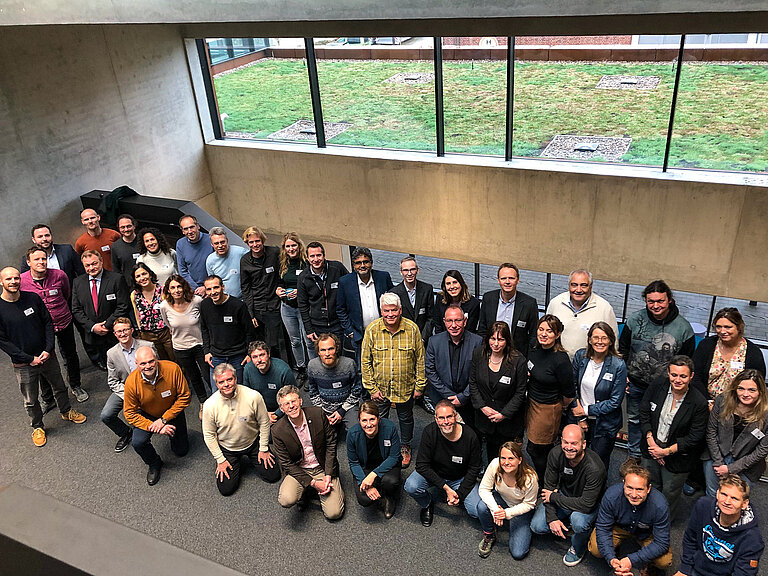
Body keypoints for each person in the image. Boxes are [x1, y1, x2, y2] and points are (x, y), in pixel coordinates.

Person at [0, 266, 86, 447]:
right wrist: (28, 359)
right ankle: (37, 426)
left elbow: (47, 322)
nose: (13, 281)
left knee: (60, 386)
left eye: (16, 278)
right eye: (9, 279)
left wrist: (48, 348)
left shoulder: (32, 298)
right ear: (1, 282)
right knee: (30, 400)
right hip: (23, 363)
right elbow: (4, 342)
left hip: (47, 355)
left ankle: (66, 411)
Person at [620, 280, 696, 462]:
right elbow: (623, 349)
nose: (655, 306)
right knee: (634, 420)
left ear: (669, 300)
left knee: (662, 422)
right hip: (635, 384)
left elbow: (687, 361)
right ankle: (634, 456)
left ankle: (655, 456)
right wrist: (624, 376)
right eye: (651, 301)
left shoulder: (683, 328)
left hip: (666, 388)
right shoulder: (634, 320)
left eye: (660, 301)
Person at [361, 292, 426, 466]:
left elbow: (420, 360)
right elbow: (365, 361)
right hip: (380, 388)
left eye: (394, 310)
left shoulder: (412, 329)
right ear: (381, 311)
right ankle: (383, 446)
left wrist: (419, 386)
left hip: (405, 386)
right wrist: (372, 388)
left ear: (400, 310)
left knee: (406, 418)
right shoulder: (372, 330)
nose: (390, 314)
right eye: (386, 310)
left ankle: (405, 445)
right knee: (380, 418)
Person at [640, 355, 708, 518]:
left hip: (678, 457)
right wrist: (652, 443)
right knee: (649, 485)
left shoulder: (699, 402)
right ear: (668, 373)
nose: (677, 380)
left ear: (691, 376)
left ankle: (662, 523)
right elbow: (644, 411)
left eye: (683, 376)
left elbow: (695, 436)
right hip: (651, 448)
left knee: (669, 494)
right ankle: (645, 518)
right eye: (674, 375)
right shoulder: (658, 385)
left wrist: (665, 452)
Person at [530, 424, 607, 567]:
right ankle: (565, 523)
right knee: (537, 526)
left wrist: (554, 497)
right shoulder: (555, 454)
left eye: (574, 443)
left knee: (578, 521)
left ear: (583, 444)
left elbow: (586, 504)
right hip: (565, 495)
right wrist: (552, 518)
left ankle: (579, 546)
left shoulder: (595, 467)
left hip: (588, 503)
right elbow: (549, 488)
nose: (569, 447)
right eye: (566, 442)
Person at [20, 247, 88, 403]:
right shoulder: (22, 281)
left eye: (43, 258)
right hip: (40, 328)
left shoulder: (59, 275)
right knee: (42, 359)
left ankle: (75, 385)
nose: (41, 262)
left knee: (70, 354)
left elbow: (66, 293)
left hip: (62, 320)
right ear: (28, 262)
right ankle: (48, 397)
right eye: (36, 259)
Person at [202, 363, 281, 496]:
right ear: (216, 384)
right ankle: (235, 461)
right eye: (221, 382)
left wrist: (263, 448)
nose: (226, 384)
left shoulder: (253, 396)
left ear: (236, 378)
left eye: (229, 379)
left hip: (253, 442)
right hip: (228, 448)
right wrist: (220, 459)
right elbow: (209, 435)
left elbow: (264, 422)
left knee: (274, 476)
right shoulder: (210, 405)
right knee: (226, 489)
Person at [404, 400, 482, 527]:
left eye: (449, 417)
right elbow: (422, 465)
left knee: (477, 510)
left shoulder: (470, 436)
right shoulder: (429, 432)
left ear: (455, 416)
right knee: (411, 486)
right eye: (441, 418)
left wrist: (460, 493)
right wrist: (445, 487)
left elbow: (474, 468)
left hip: (459, 478)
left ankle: (456, 496)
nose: (446, 422)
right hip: (435, 474)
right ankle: (427, 503)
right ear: (436, 419)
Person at [272, 385, 345, 520]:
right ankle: (309, 488)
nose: (291, 406)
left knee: (334, 513)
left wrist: (329, 474)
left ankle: (313, 489)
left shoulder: (318, 414)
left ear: (300, 401)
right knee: (286, 499)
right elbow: (286, 463)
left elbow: (330, 444)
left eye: (293, 401)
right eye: (286, 404)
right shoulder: (277, 430)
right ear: (281, 409)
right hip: (300, 470)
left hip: (322, 467)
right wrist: (313, 483)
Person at [122, 346, 191, 485]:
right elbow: (129, 412)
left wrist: (164, 419)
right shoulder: (131, 382)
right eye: (143, 363)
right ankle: (154, 463)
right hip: (148, 414)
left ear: (156, 359)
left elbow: (185, 396)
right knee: (138, 442)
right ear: (136, 364)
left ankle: (175, 436)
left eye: (151, 361)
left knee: (181, 451)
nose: (148, 366)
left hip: (171, 411)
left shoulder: (173, 369)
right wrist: (154, 426)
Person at [589, 463, 672, 576]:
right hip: (619, 528)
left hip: (647, 533)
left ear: (648, 489)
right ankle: (615, 551)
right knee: (596, 549)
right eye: (629, 488)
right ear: (623, 484)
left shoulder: (660, 505)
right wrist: (611, 558)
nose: (633, 494)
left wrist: (631, 560)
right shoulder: (611, 496)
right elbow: (603, 528)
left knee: (664, 561)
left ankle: (649, 564)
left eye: (639, 489)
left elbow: (661, 543)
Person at [675, 474, 764, 576]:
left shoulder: (752, 538)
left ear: (744, 504)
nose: (727, 501)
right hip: (696, 568)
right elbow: (690, 538)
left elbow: (743, 573)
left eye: (734, 498)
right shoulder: (703, 506)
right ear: (717, 494)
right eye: (724, 494)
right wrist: (685, 569)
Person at [570, 322, 627, 471]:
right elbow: (572, 387)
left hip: (604, 422)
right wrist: (581, 417)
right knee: (574, 457)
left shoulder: (618, 365)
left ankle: (598, 486)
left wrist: (586, 410)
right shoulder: (581, 357)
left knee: (598, 462)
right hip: (579, 417)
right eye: (595, 337)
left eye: (604, 338)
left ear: (611, 341)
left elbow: (615, 401)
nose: (599, 342)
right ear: (589, 340)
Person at [525, 314, 575, 480]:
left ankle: (547, 481)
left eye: (549, 331)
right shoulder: (534, 347)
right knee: (532, 446)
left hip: (547, 409)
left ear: (558, 334)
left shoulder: (560, 359)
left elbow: (569, 393)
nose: (544, 334)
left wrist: (561, 407)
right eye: (541, 329)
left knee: (537, 449)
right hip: (531, 403)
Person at [469, 321, 527, 461]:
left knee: (507, 458)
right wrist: (482, 407)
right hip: (484, 417)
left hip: (508, 421)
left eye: (500, 340)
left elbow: (520, 393)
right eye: (493, 338)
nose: (496, 344)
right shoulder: (478, 354)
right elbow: (473, 383)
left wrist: (503, 414)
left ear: (507, 341)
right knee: (488, 455)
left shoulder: (518, 360)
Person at [705, 369, 768, 497]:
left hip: (748, 464)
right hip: (716, 455)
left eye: (752, 390)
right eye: (741, 389)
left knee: (736, 498)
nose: (745, 394)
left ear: (760, 392)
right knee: (713, 494)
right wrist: (718, 462)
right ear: (735, 388)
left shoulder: (766, 413)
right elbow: (711, 432)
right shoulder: (722, 400)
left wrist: (731, 469)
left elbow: (762, 450)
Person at [471, 442, 538, 560]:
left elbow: (529, 504)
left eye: (511, 458)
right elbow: (484, 489)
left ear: (520, 460)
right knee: (482, 506)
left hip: (520, 509)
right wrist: (496, 511)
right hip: (501, 500)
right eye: (503, 458)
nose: (506, 462)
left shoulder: (530, 478)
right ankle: (489, 534)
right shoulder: (495, 465)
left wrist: (506, 513)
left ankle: (520, 525)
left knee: (518, 553)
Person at [692, 307, 766, 407]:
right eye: (718, 327)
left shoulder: (753, 352)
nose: (722, 331)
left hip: (738, 407)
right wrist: (708, 402)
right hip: (705, 403)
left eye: (728, 327)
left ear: (739, 327)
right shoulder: (707, 345)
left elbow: (757, 384)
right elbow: (695, 376)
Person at [159, 275, 210, 417]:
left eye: (179, 286)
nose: (176, 290)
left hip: (200, 345)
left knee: (207, 375)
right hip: (181, 348)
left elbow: (204, 322)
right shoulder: (164, 306)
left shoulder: (196, 301)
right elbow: (169, 325)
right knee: (194, 377)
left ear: (184, 287)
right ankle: (203, 402)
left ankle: (217, 402)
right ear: (168, 291)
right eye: (173, 288)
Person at [71, 249, 130, 369]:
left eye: (94, 263)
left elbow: (123, 305)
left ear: (101, 261)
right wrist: (93, 327)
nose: (91, 268)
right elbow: (76, 309)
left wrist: (107, 325)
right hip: (94, 335)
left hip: (115, 333)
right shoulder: (77, 283)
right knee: (109, 367)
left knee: (126, 365)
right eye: (87, 265)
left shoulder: (116, 279)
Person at [425, 304, 483, 427]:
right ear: (444, 321)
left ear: (465, 321)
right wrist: (449, 396)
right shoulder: (434, 341)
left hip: (468, 400)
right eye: (449, 321)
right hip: (441, 398)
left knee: (469, 432)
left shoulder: (477, 342)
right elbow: (430, 371)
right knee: (444, 431)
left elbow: (479, 373)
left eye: (458, 320)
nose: (454, 325)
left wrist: (463, 397)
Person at [336, 246, 393, 366]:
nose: (362, 265)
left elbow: (392, 301)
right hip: (359, 335)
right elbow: (341, 309)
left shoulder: (383, 277)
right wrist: (350, 331)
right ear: (353, 265)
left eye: (366, 262)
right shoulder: (345, 282)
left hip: (384, 332)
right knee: (363, 367)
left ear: (371, 263)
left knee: (386, 364)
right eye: (358, 263)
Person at [346, 400, 401, 518]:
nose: (369, 424)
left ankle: (389, 497)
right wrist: (366, 484)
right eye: (364, 420)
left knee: (390, 482)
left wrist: (374, 474)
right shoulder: (352, 434)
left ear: (378, 419)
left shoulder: (390, 427)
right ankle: (382, 500)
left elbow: (394, 457)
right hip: (365, 467)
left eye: (372, 419)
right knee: (364, 499)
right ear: (359, 421)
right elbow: (354, 463)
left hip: (387, 465)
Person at [546, 269, 619, 359]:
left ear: (591, 286)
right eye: (574, 285)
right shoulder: (555, 303)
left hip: (589, 363)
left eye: (583, 285)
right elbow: (545, 332)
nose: (578, 290)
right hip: (557, 361)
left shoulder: (605, 308)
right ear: (569, 285)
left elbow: (614, 341)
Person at [104, 318, 152, 452]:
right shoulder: (111, 353)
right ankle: (125, 433)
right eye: (119, 331)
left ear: (131, 330)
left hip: (148, 387)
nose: (122, 334)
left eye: (125, 330)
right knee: (106, 415)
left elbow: (158, 370)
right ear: (115, 334)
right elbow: (112, 381)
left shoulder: (147, 346)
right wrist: (129, 395)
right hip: (125, 389)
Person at [199, 274, 252, 390]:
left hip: (238, 356)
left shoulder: (238, 305)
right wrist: (206, 351)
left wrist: (249, 353)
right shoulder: (204, 305)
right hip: (216, 356)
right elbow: (204, 329)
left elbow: (249, 331)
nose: (213, 292)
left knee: (238, 391)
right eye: (209, 289)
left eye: (216, 287)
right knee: (217, 393)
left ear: (223, 287)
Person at [478, 263, 538, 356]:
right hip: (491, 354)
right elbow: (482, 329)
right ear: (498, 280)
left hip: (517, 356)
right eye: (503, 278)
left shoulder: (529, 303)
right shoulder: (488, 298)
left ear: (517, 280)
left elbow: (533, 335)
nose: (507, 282)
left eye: (511, 278)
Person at [240, 226, 283, 359]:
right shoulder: (245, 260)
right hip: (257, 308)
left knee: (275, 343)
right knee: (260, 343)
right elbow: (246, 288)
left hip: (274, 305)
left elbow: (283, 272)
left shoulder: (274, 253)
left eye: (257, 241)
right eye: (251, 242)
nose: (255, 244)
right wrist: (251, 313)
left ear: (262, 240)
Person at [297, 241, 348, 349]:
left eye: (319, 255)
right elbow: (302, 305)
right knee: (323, 355)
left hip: (338, 323)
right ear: (307, 258)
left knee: (338, 353)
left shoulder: (337, 268)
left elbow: (350, 287)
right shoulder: (303, 277)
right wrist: (309, 329)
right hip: (317, 326)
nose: (316, 259)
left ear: (324, 256)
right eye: (312, 256)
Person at [308, 333, 362, 432]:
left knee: (355, 431)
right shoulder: (312, 366)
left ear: (336, 349)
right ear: (318, 352)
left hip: (347, 407)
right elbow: (313, 393)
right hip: (323, 408)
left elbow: (357, 390)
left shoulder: (349, 364)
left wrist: (342, 410)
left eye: (330, 349)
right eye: (323, 350)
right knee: (315, 432)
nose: (327, 353)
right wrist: (323, 413)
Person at [276, 232, 310, 380]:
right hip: (287, 307)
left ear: (299, 245)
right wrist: (278, 290)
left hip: (304, 307)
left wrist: (300, 291)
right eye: (288, 246)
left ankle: (312, 369)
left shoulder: (306, 263)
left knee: (308, 341)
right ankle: (301, 368)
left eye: (293, 245)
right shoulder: (283, 263)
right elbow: (279, 282)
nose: (291, 249)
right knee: (295, 341)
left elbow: (312, 285)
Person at [129, 263, 175, 361]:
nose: (142, 278)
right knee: (157, 362)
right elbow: (136, 315)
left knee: (174, 359)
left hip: (166, 333)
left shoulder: (163, 290)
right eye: (138, 276)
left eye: (144, 274)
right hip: (147, 336)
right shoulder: (134, 295)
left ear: (150, 274)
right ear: (135, 280)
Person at [242, 340, 296, 422]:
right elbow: (247, 396)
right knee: (241, 421)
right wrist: (262, 414)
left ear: (269, 354)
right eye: (255, 357)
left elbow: (293, 396)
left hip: (282, 409)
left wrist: (276, 415)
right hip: (259, 411)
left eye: (262, 355)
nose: (259, 360)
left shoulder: (283, 370)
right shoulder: (248, 369)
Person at [389, 256, 434, 342]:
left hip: (424, 340)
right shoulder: (394, 293)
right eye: (406, 270)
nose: (409, 273)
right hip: (403, 340)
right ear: (401, 272)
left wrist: (422, 339)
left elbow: (431, 317)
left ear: (417, 270)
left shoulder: (427, 289)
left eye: (412, 269)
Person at [20, 223, 85, 282]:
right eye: (40, 237)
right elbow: (25, 281)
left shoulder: (67, 250)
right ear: (34, 240)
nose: (44, 239)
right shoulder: (28, 258)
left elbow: (81, 272)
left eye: (47, 235)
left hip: (69, 290)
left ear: (51, 236)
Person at [432, 269, 480, 334]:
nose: (452, 286)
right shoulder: (440, 299)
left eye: (455, 282)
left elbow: (470, 330)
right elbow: (438, 326)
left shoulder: (473, 304)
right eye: (448, 283)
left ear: (461, 284)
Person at [205, 226, 248, 298]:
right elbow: (212, 282)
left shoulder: (240, 252)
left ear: (227, 241)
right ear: (212, 244)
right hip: (223, 300)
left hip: (243, 299)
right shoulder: (210, 260)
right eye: (216, 243)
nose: (220, 246)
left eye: (222, 242)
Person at [175, 214, 212, 297]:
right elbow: (183, 271)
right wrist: (197, 289)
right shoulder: (180, 244)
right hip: (193, 290)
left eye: (192, 227)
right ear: (182, 231)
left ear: (198, 226)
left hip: (212, 287)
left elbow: (218, 265)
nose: (189, 231)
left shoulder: (210, 239)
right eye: (185, 229)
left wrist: (206, 287)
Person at [111, 214, 141, 285]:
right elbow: (116, 269)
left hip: (146, 282)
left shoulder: (143, 241)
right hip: (128, 285)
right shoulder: (115, 246)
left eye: (129, 226)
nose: (126, 229)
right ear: (119, 228)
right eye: (122, 227)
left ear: (134, 226)